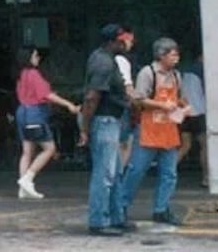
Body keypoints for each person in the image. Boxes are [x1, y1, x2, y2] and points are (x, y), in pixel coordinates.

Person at [119, 37, 188, 227]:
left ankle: (161, 209)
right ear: (161, 56)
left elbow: (180, 97)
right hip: (148, 129)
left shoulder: (176, 75)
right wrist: (161, 105)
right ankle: (121, 206)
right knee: (136, 170)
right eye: (173, 54)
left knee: (169, 173)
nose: (176, 58)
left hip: (169, 129)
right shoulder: (148, 73)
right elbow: (139, 100)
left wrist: (184, 106)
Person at [79, 23, 135, 236]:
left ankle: (115, 217)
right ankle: (99, 221)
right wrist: (85, 128)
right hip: (105, 121)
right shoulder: (104, 63)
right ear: (114, 41)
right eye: (123, 39)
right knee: (105, 173)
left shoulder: (104, 58)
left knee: (114, 172)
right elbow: (92, 97)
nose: (127, 42)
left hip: (111, 120)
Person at [14, 45, 79, 199]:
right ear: (28, 57)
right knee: (49, 148)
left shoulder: (21, 74)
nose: (38, 58)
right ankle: (28, 178)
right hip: (34, 113)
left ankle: (23, 188)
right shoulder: (33, 74)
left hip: (22, 112)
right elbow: (47, 95)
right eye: (36, 55)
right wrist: (68, 104)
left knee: (27, 151)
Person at [178, 53, 207, 188]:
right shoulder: (204, 71)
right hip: (199, 112)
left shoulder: (184, 72)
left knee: (185, 146)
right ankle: (207, 178)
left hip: (185, 112)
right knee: (205, 146)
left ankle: (167, 171)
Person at [114, 27, 137, 168]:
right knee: (124, 141)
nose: (131, 44)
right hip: (121, 107)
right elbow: (128, 86)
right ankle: (120, 171)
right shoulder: (122, 60)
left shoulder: (102, 58)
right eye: (129, 40)